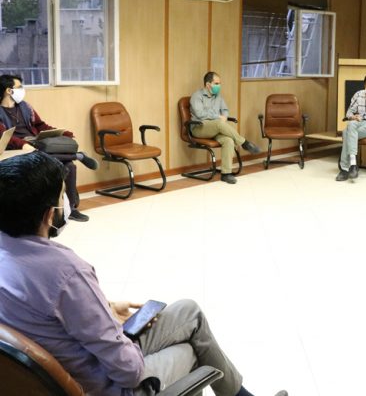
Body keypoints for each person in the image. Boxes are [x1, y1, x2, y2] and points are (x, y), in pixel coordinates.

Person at [0, 152, 285, 396]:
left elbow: (43, 308)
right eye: (63, 196)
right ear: (50, 214)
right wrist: (120, 335)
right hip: (108, 384)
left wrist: (105, 308)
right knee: (192, 350)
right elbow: (129, 371)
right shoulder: (67, 272)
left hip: (66, 363)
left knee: (189, 312)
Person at [0, 74, 98, 222]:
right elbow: (4, 136)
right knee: (46, 155)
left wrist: (60, 132)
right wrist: (23, 144)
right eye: (20, 87)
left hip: (35, 143)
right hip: (17, 149)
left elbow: (40, 125)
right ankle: (78, 156)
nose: (23, 90)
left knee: (69, 166)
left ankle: (71, 209)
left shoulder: (26, 107)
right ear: (9, 90)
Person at [190, 71, 260, 184]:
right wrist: (218, 117)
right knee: (219, 123)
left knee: (229, 140)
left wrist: (224, 116)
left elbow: (225, 110)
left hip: (215, 128)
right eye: (216, 83)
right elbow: (200, 114)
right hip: (199, 128)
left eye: (220, 83)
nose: (219, 86)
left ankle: (226, 174)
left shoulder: (218, 96)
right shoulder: (197, 96)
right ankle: (244, 143)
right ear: (208, 84)